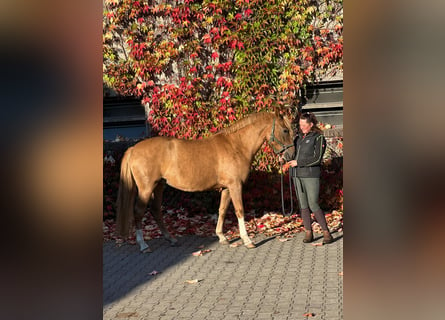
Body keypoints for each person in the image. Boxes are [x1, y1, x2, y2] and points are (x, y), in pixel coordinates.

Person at [281, 112, 334, 244]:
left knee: (313, 203)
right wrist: (285, 158)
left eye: (304, 125)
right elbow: (293, 154)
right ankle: (308, 232)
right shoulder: (297, 138)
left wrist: (299, 163)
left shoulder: (318, 138)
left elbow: (317, 158)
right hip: (297, 175)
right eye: (300, 125)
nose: (302, 127)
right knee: (303, 205)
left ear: (311, 125)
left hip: (311, 175)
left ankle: (326, 232)